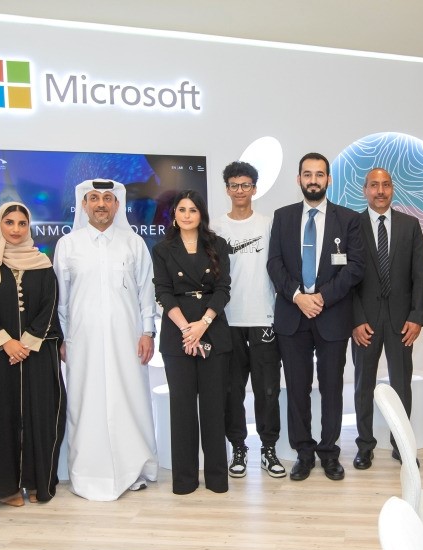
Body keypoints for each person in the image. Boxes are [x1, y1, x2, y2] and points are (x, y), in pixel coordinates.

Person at [53, 179, 157, 500]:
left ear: (117, 205)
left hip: (128, 339)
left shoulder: (133, 243)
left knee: (130, 399)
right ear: (83, 205)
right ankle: (86, 471)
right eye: (94, 198)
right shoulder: (68, 245)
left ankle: (134, 466)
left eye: (108, 199)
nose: (101, 204)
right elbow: (62, 299)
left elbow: (145, 291)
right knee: (86, 402)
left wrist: (147, 331)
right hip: (81, 341)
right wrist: (62, 338)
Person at [267, 152, 364, 481]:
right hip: (292, 317)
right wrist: (298, 297)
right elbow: (274, 264)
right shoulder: (283, 217)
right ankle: (303, 453)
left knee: (332, 388)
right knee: (296, 388)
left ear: (328, 179)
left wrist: (320, 297)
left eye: (319, 174)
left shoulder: (348, 219)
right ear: (298, 180)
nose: (313, 180)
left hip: (332, 315)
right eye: (307, 174)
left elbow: (354, 269)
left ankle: (329, 452)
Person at [0, 202, 65, 506]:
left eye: (22, 223)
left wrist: (27, 342)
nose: (16, 229)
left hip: (37, 354)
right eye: (9, 222)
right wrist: (7, 343)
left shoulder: (43, 265)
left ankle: (38, 481)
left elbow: (50, 307)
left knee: (41, 417)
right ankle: (4, 488)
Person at [153, 191, 232, 494]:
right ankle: (184, 481)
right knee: (182, 409)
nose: (187, 215)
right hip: (178, 335)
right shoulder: (162, 249)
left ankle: (216, 479)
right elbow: (163, 292)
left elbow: (223, 289)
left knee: (214, 408)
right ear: (174, 214)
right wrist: (188, 329)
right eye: (181, 210)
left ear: (202, 214)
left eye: (193, 210)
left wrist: (203, 325)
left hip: (212, 330)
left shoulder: (218, 245)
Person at [211, 161, 285, 479]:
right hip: (228, 320)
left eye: (245, 185)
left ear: (254, 188)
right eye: (234, 185)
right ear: (226, 189)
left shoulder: (269, 224)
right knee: (232, 391)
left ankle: (268, 449)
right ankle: (238, 448)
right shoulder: (215, 228)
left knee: (268, 390)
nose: (239, 191)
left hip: (264, 318)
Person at [351, 167, 423, 469]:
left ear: (392, 189)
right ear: (365, 190)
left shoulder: (410, 225)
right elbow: (347, 277)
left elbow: (419, 274)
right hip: (365, 322)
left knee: (401, 385)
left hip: (401, 321)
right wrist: (355, 319)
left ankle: (401, 445)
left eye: (385, 185)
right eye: (374, 185)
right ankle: (364, 446)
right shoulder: (352, 225)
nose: (380, 191)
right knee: (362, 386)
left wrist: (417, 316)